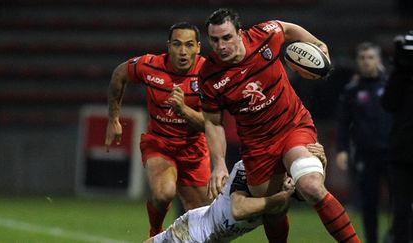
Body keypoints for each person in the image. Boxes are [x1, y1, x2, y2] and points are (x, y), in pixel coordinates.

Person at [198, 8, 360, 242]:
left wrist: (316, 43)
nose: (221, 46)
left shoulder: (263, 36)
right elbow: (213, 122)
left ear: (239, 33)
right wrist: (219, 164)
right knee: (274, 207)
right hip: (257, 146)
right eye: (214, 40)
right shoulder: (209, 76)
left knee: (311, 187)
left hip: (292, 126)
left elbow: (287, 28)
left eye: (227, 38)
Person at [104, 22, 211, 237]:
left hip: (194, 148)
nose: (183, 51)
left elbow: (210, 125)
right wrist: (114, 119)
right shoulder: (150, 65)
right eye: (177, 44)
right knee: (164, 194)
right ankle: (156, 232)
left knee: (202, 217)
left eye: (189, 45)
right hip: (159, 143)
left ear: (198, 47)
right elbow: (119, 74)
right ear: (168, 46)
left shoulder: (209, 73)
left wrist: (182, 110)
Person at [144, 143, 327, 243]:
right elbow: (239, 210)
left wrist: (319, 165)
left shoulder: (286, 180)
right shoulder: (248, 167)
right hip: (193, 234)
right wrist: (278, 198)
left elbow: (310, 195)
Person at [335, 42, 392, 243]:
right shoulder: (352, 90)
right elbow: (343, 122)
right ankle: (372, 240)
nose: (366, 62)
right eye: (362, 58)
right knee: (368, 204)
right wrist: (341, 149)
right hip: (365, 154)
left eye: (370, 57)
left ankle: (397, 235)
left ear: (378, 60)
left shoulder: (391, 85)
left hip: (392, 153)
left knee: (400, 202)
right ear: (357, 61)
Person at [381, 31, 413, 243]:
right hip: (401, 153)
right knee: (400, 209)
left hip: (400, 150)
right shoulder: (400, 76)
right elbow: (388, 103)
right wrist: (399, 70)